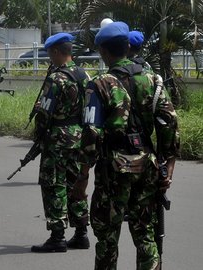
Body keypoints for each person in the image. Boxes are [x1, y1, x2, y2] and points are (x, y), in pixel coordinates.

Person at [75, 22, 179, 269]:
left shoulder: (99, 84)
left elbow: (91, 133)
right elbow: (169, 122)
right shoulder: (153, 80)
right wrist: (169, 166)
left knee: (107, 238)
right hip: (147, 166)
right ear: (127, 46)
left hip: (113, 169)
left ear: (103, 51)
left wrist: (82, 177)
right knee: (145, 234)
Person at [29, 33, 91, 253]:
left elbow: (44, 112)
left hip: (57, 138)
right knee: (76, 184)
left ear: (57, 52)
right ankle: (81, 233)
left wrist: (39, 134)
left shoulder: (57, 78)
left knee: (54, 184)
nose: (49, 59)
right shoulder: (84, 75)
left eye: (50, 54)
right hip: (79, 136)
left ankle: (57, 237)